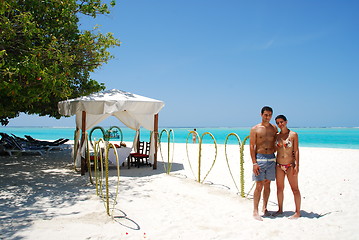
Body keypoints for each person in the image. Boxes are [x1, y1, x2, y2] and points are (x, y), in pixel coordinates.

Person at [250, 106, 278, 221]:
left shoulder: (274, 128)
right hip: (260, 158)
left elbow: (276, 143)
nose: (268, 117)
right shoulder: (255, 129)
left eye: (270, 115)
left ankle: (265, 208)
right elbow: (252, 146)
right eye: (266, 115)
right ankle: (255, 211)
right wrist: (254, 163)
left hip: (271, 158)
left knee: (267, 184)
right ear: (261, 114)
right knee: (259, 185)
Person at [274, 115, 301, 219]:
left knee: (295, 189)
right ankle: (280, 209)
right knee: (279, 188)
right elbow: (275, 149)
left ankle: (297, 212)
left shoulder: (293, 135)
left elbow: (296, 150)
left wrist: (297, 165)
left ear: (286, 121)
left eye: (282, 122)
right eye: (278, 123)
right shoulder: (277, 136)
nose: (280, 124)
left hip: (290, 165)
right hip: (279, 165)